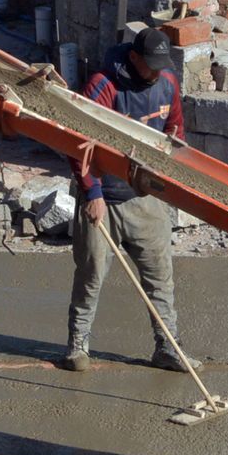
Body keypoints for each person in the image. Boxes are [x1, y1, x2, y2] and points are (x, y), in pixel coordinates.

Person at [60, 28, 195, 374]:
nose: (156, 72)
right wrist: (92, 193)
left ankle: (168, 347)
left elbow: (174, 131)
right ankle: (78, 344)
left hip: (145, 198)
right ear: (134, 59)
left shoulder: (167, 83)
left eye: (160, 65)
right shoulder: (104, 86)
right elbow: (79, 142)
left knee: (160, 277)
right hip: (103, 199)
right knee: (91, 274)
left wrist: (168, 172)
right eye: (150, 65)